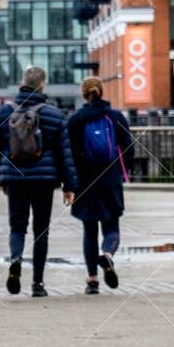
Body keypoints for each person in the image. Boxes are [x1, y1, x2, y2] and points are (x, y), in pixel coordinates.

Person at [0, 65, 76, 298]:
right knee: (41, 231)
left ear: (22, 83)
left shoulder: (6, 111)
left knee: (17, 228)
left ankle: (16, 260)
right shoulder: (54, 114)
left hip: (15, 179)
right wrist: (69, 186)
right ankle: (37, 284)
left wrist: (0, 176)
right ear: (42, 85)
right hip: (44, 181)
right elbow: (64, 153)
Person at [67, 76, 135, 294]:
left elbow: (69, 154)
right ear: (102, 92)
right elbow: (128, 148)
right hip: (110, 179)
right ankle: (106, 255)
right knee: (111, 227)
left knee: (89, 229)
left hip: (85, 182)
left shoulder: (75, 120)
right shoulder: (115, 117)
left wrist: (69, 181)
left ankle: (92, 280)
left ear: (83, 94)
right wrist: (122, 171)